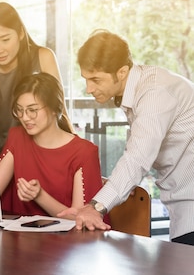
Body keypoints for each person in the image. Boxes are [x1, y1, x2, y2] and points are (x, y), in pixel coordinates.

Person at [58, 30, 194, 246]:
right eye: (86, 79)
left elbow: (137, 159)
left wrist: (95, 207)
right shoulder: (139, 89)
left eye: (95, 80)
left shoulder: (154, 94)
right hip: (183, 207)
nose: (89, 88)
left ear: (122, 72)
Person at [0, 2, 69, 162]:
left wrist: (77, 156)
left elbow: (60, 114)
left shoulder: (43, 57)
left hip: (37, 161)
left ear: (21, 33)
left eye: (5, 39)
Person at [0, 73, 104, 218]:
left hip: (64, 239)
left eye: (32, 110)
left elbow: (80, 219)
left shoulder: (84, 152)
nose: (25, 117)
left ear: (54, 108)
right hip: (16, 236)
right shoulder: (17, 137)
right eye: (19, 110)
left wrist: (40, 195)